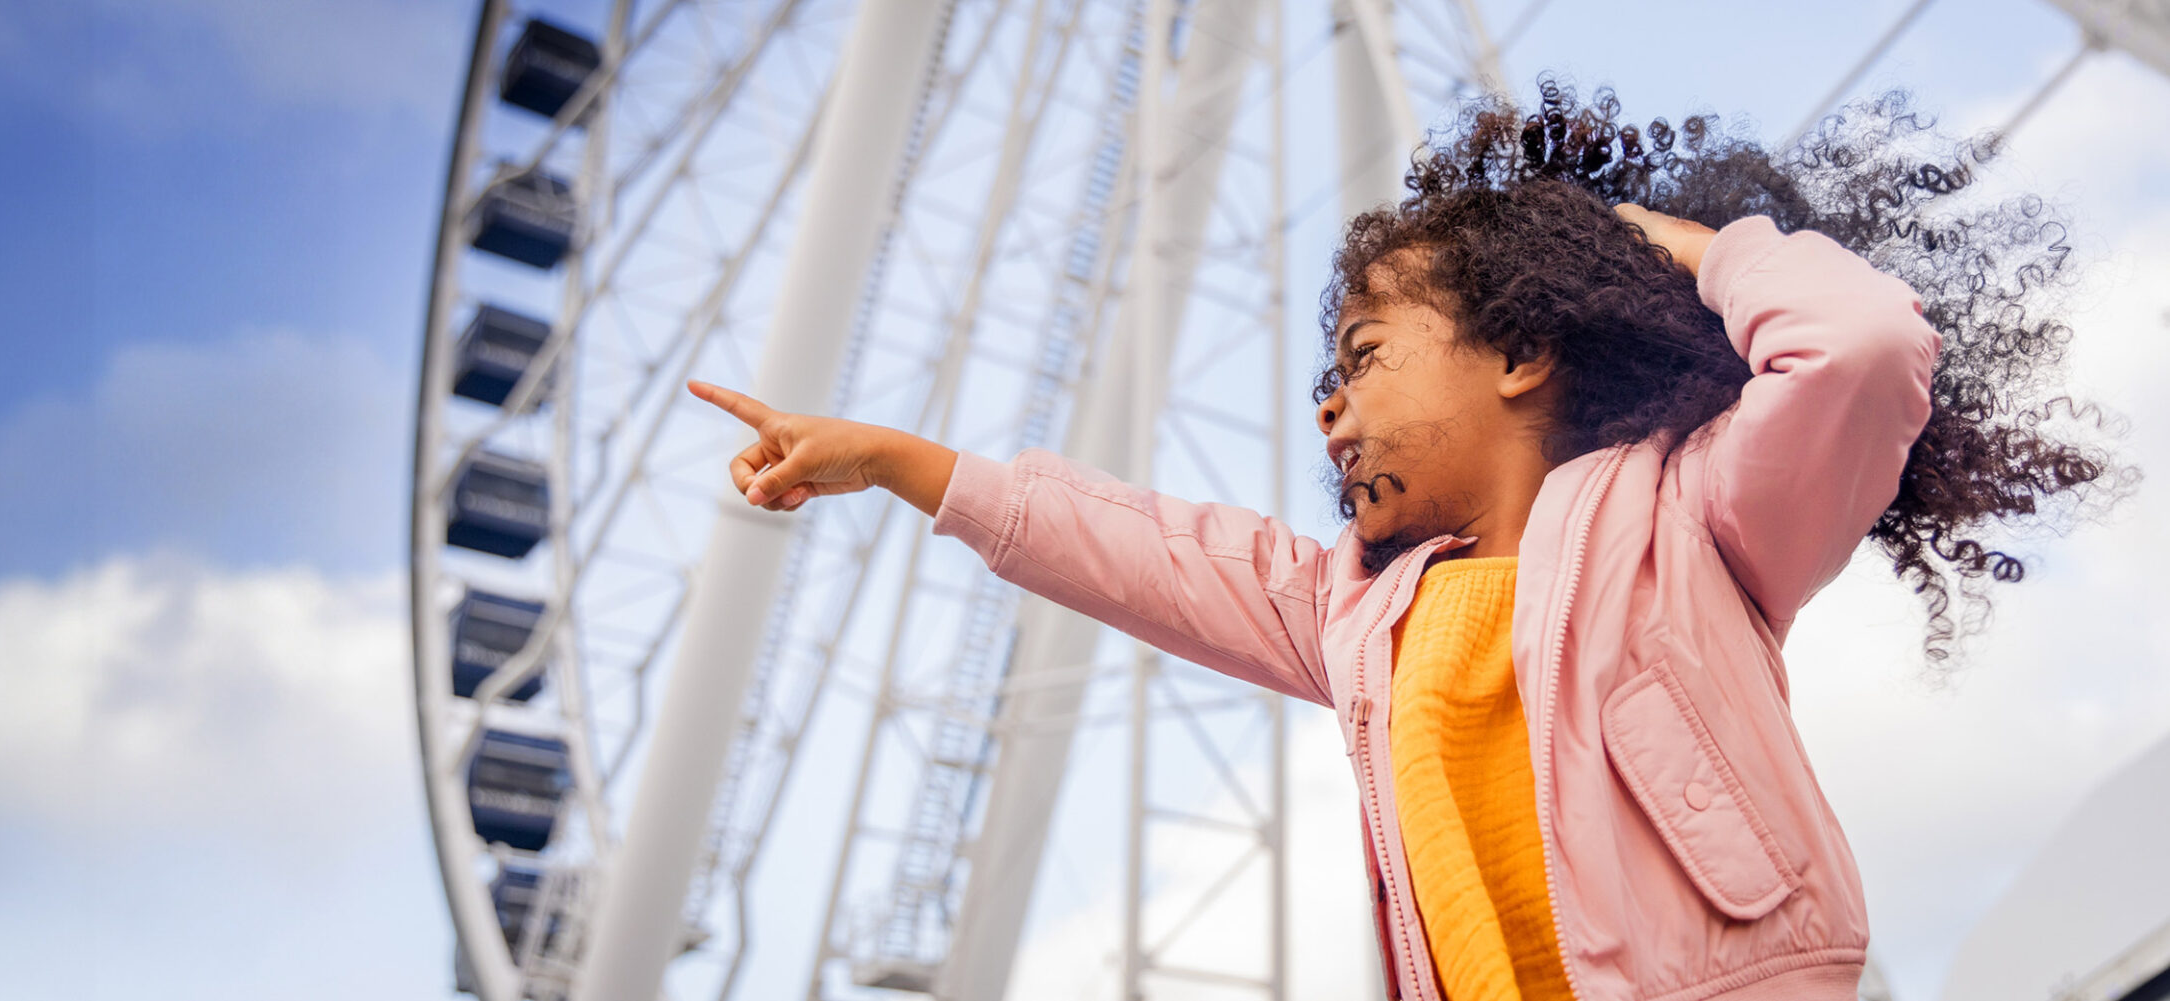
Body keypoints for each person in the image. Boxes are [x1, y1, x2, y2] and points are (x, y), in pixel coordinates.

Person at [688, 78, 2128, 1000]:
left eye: (1364, 355)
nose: (1331, 410)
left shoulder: (1701, 519)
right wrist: (899, 462)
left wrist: (1692, 253)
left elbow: (1863, 343)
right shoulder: (1354, 613)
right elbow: (1145, 548)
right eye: (1323, 378)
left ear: (1519, 353)